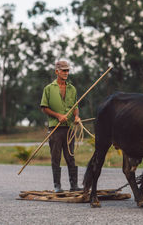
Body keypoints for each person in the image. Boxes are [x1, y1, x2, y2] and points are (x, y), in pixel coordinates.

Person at [40, 60, 82, 193]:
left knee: (70, 156)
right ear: (56, 71)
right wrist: (58, 115)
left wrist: (76, 117)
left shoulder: (72, 89)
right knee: (56, 157)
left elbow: (75, 107)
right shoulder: (48, 88)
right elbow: (44, 108)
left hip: (69, 128)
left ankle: (74, 185)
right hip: (55, 128)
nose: (66, 73)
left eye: (67, 70)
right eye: (63, 70)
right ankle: (57, 186)